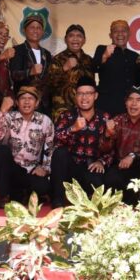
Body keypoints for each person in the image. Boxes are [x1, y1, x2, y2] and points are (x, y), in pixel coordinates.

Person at [50, 76, 115, 207]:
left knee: (99, 181)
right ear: (76, 96)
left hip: (91, 168)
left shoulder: (105, 118)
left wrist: (101, 161)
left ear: (95, 96)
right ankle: (58, 201)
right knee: (60, 153)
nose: (84, 97)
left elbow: (113, 149)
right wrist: (73, 128)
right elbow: (56, 140)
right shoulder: (67, 116)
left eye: (88, 93)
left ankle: (88, 199)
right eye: (80, 93)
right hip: (70, 168)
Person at [0, 86, 54, 206]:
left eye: (30, 98)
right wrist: (2, 111)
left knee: (43, 187)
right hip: (12, 169)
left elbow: (50, 147)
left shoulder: (45, 121)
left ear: (37, 103)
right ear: (16, 102)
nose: (26, 102)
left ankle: (22, 194)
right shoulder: (9, 117)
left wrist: (45, 168)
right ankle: (4, 196)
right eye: (23, 98)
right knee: (2, 151)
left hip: (32, 170)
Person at [103, 86, 140, 204]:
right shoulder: (118, 120)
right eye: (130, 99)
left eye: (138, 100)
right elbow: (104, 149)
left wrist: (133, 156)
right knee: (110, 178)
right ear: (126, 103)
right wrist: (107, 134)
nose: (134, 103)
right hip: (123, 165)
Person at [94, 20, 140, 117]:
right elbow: (93, 68)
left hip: (129, 109)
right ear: (110, 35)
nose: (120, 34)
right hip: (106, 107)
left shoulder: (135, 56)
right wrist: (104, 56)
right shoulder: (102, 49)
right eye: (116, 31)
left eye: (123, 31)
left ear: (129, 34)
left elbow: (138, 85)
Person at [10, 13, 53, 115]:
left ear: (43, 32)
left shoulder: (47, 54)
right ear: (25, 30)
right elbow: (14, 75)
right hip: (24, 104)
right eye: (32, 27)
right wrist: (30, 72)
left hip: (44, 106)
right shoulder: (17, 50)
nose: (35, 31)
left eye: (39, 28)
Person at [49, 24, 95, 119]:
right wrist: (64, 68)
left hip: (85, 110)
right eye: (71, 36)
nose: (75, 39)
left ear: (84, 40)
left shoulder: (89, 60)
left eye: (79, 36)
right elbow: (49, 84)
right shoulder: (57, 59)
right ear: (65, 39)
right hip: (63, 111)